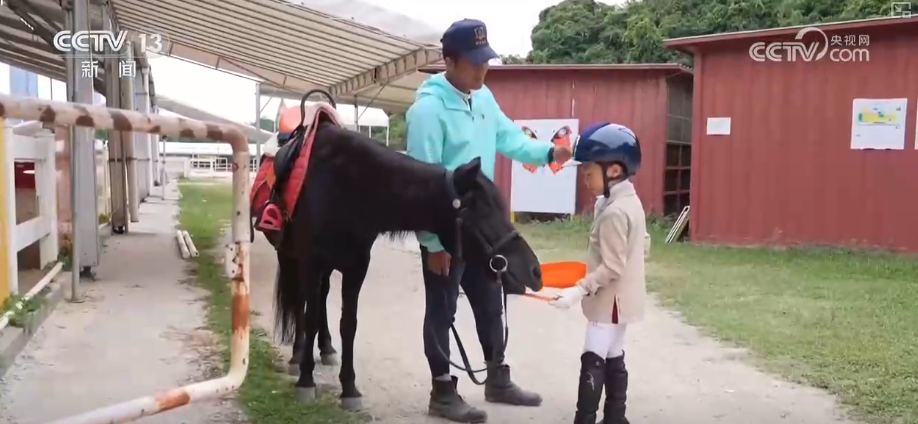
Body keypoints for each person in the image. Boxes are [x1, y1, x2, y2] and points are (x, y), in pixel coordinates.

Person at [406, 18, 573, 423]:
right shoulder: (427, 112)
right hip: (448, 230)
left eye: (486, 60)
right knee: (441, 310)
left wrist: (549, 155)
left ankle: (497, 377)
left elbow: (510, 139)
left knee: (490, 303)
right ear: (449, 60)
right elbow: (419, 184)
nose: (484, 69)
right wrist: (433, 244)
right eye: (475, 62)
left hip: (483, 229)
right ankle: (442, 390)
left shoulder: (483, 99)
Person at [549, 122, 649, 424]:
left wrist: (579, 289)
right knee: (614, 355)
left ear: (614, 171)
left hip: (609, 302)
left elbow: (613, 267)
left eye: (589, 173)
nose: (585, 179)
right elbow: (643, 246)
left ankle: (586, 418)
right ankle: (616, 417)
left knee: (592, 358)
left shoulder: (615, 212)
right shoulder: (628, 202)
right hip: (625, 301)